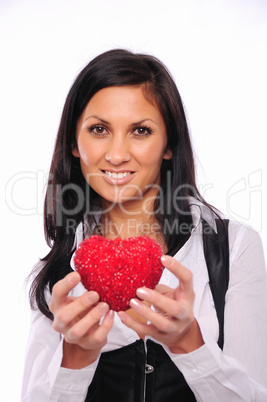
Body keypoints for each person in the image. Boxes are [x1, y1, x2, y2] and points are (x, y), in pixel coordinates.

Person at [21, 49, 267, 401]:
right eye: (99, 129)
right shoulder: (57, 275)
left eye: (140, 130)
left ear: (168, 144)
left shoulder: (234, 248)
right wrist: (76, 358)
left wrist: (189, 345)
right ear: (75, 144)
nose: (118, 154)